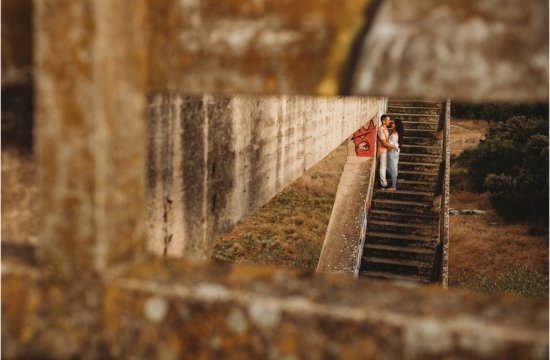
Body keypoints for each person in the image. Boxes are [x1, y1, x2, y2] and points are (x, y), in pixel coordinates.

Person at [377, 114, 398, 189]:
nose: (390, 121)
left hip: (387, 150)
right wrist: (393, 147)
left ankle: (387, 181)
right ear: (383, 121)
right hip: (383, 151)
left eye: (390, 120)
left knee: (386, 167)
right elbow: (383, 143)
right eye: (388, 120)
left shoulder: (385, 128)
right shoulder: (381, 129)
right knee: (383, 167)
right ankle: (383, 183)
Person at [387, 118, 403, 191]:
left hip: (392, 153)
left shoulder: (394, 135)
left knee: (392, 169)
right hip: (394, 152)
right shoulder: (396, 133)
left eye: (393, 123)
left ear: (396, 125)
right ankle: (395, 179)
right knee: (393, 169)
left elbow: (390, 145)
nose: (391, 123)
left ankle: (394, 187)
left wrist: (386, 141)